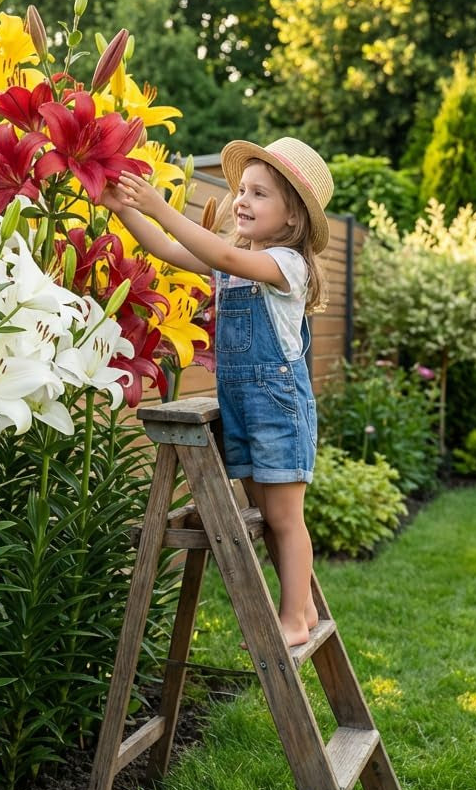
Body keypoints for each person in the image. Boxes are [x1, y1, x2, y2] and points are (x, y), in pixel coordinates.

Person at [102, 137, 333, 647]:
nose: (242, 201)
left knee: (285, 518)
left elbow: (220, 250)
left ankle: (296, 614)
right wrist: (126, 211)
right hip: (243, 409)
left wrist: (161, 206)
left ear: (292, 220)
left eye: (259, 194)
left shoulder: (285, 266)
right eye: (241, 191)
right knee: (269, 515)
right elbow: (165, 248)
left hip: (279, 409)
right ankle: (303, 608)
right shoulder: (232, 262)